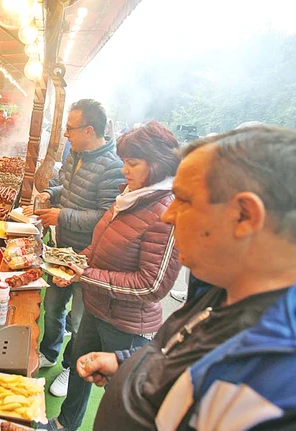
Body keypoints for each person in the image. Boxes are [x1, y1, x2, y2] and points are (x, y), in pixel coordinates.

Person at [80, 126, 296, 430]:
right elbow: (187, 346)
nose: (167, 215)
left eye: (183, 201)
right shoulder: (229, 276)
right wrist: (128, 362)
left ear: (245, 215)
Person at [45, 122, 182, 431]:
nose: (124, 170)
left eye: (132, 163)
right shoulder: (131, 195)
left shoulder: (166, 210)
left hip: (126, 324)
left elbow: (152, 285)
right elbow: (101, 241)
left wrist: (87, 276)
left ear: (157, 164)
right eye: (124, 162)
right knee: (81, 369)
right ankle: (64, 424)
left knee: (118, 400)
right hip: (98, 307)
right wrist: (76, 264)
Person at [23, 99, 124, 397]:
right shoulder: (75, 154)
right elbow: (65, 189)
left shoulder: (113, 168)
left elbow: (107, 218)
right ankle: (50, 352)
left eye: (71, 128)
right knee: (53, 306)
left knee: (79, 319)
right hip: (61, 248)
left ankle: (69, 366)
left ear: (89, 130)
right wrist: (50, 196)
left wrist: (62, 215)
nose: (66, 134)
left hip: (87, 257)